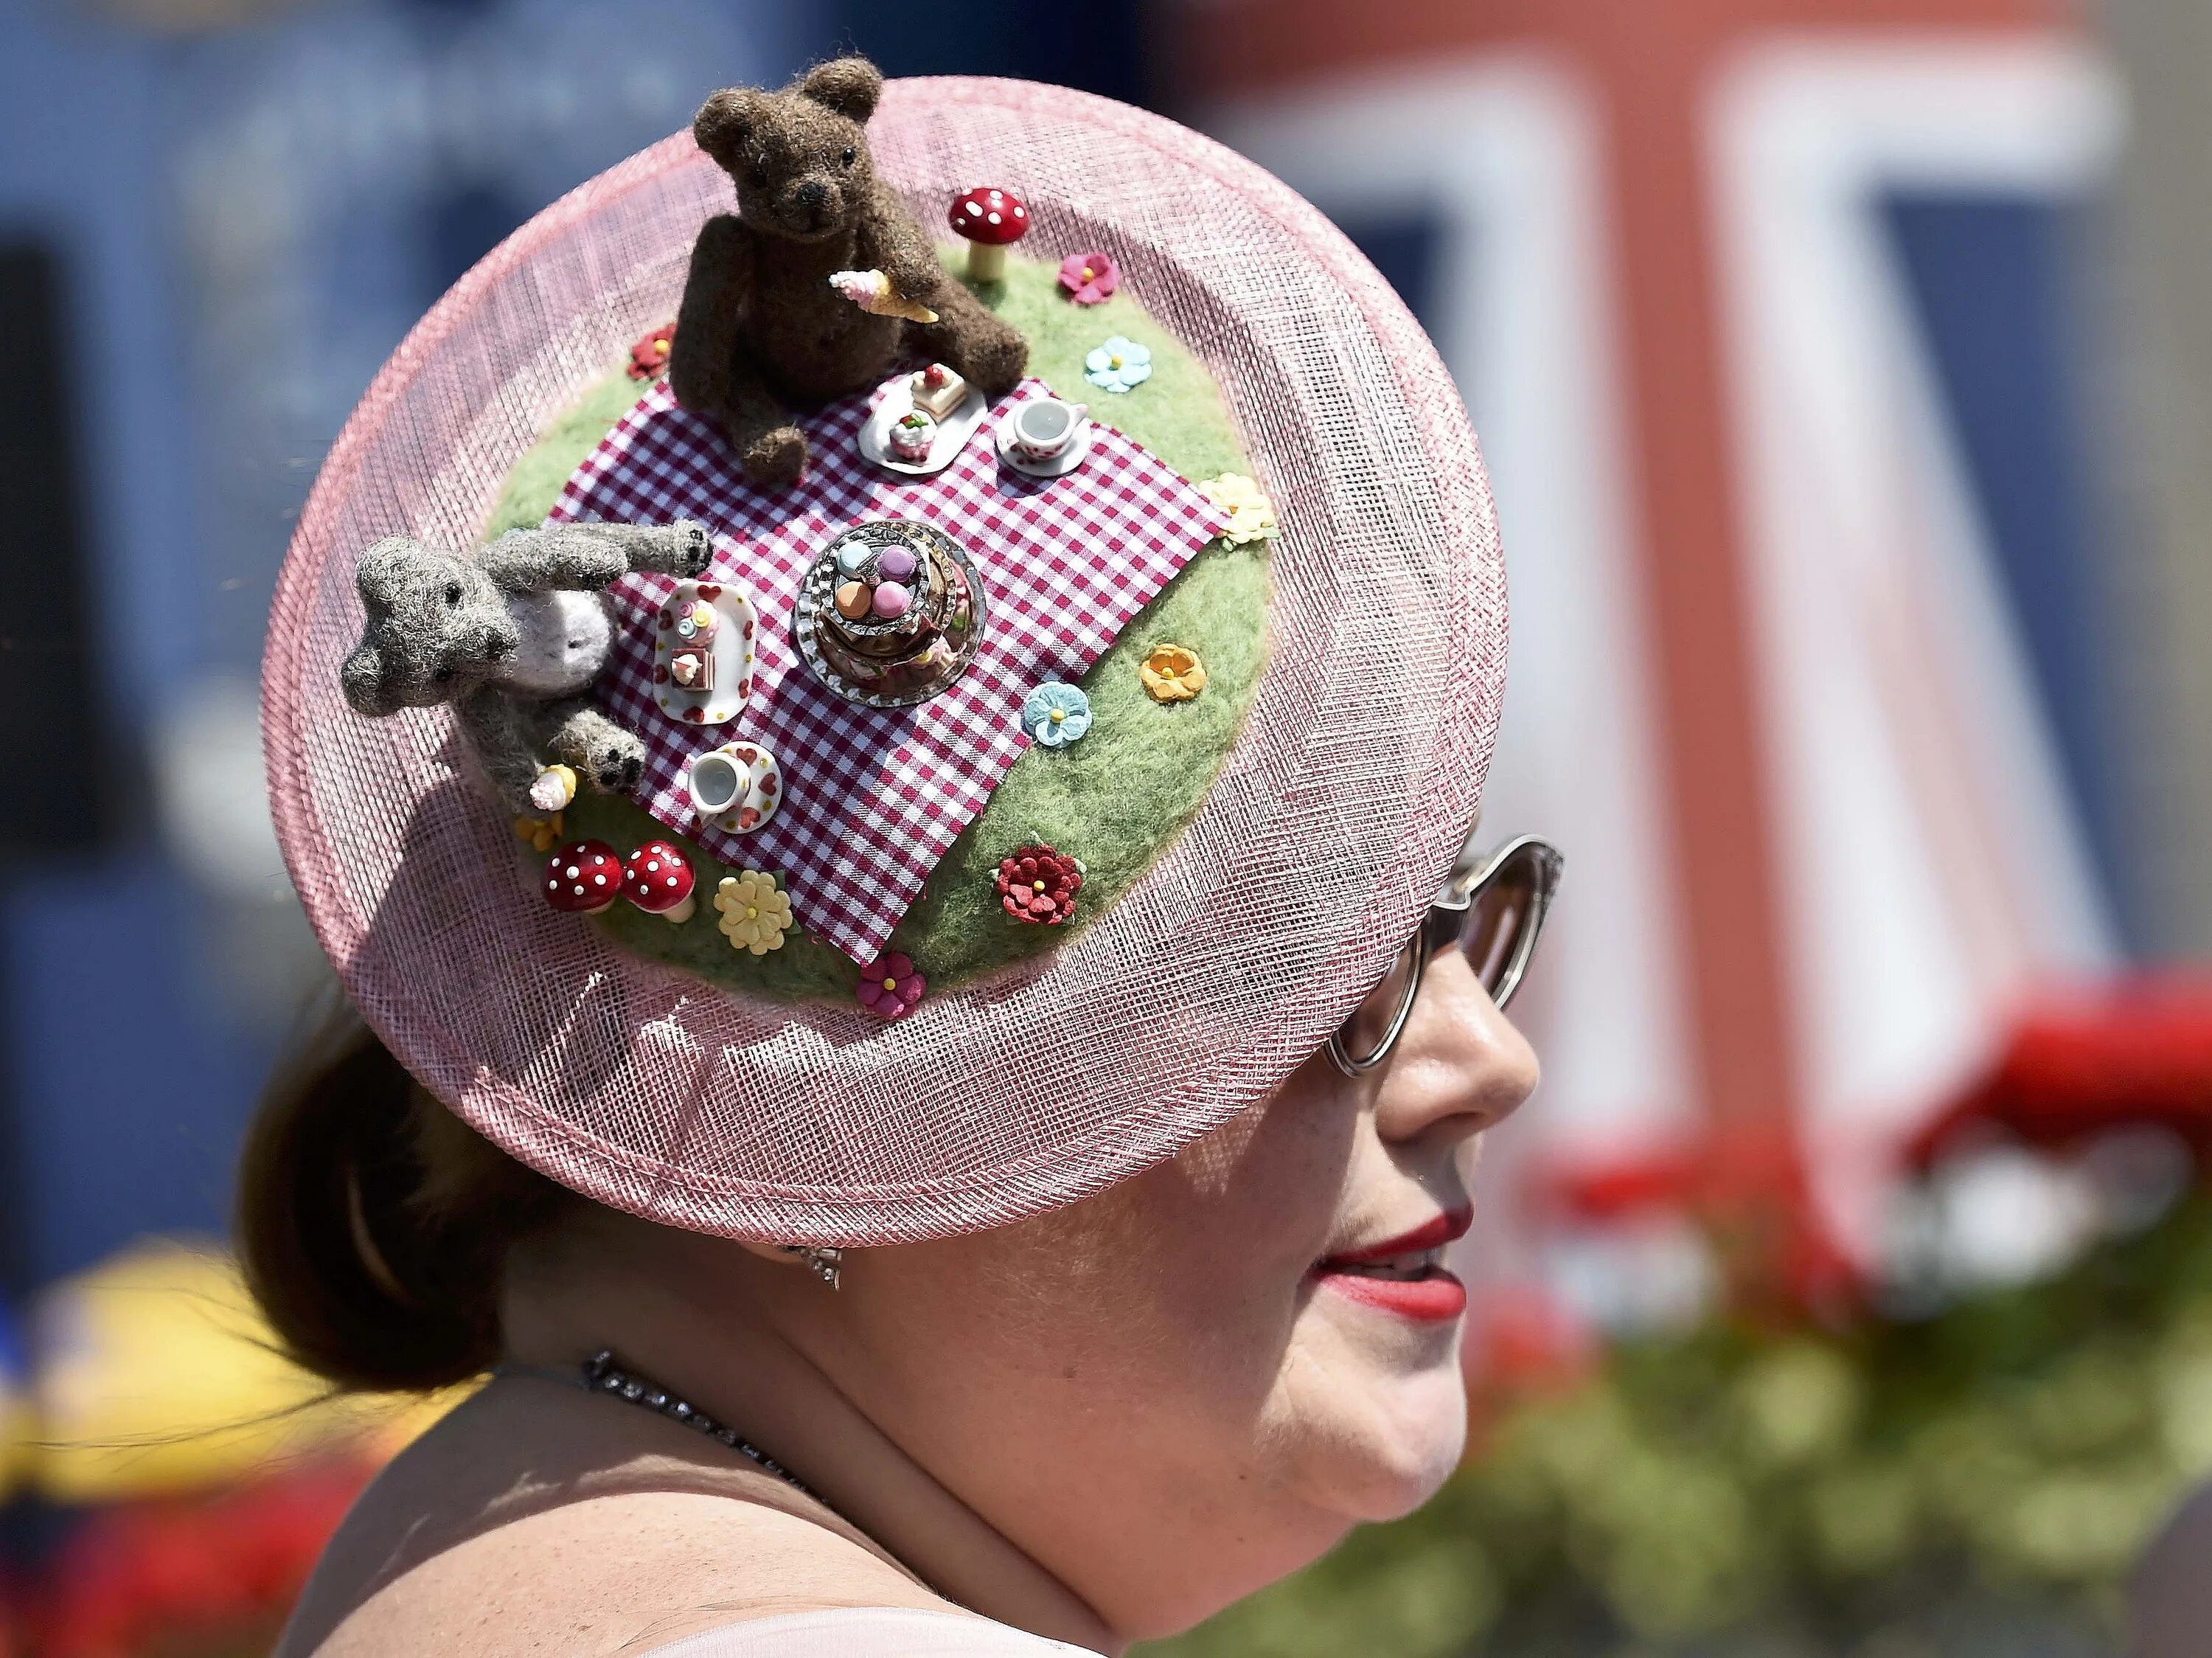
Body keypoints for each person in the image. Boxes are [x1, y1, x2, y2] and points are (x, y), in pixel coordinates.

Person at [251, 67, 1545, 1658]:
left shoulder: (454, 1553)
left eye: (1461, 915)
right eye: (1313, 957)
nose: (1488, 1055)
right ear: (804, 1119)